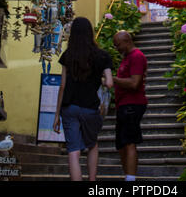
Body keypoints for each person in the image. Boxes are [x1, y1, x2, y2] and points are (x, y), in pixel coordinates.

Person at [53, 17, 113, 181]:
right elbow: (109, 83)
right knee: (92, 145)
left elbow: (63, 86)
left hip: (69, 107)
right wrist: (96, 79)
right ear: (90, 33)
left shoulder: (68, 55)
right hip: (90, 108)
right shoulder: (102, 56)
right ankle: (92, 180)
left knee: (73, 150)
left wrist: (57, 115)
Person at [113, 30, 148, 182]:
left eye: (118, 44)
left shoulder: (137, 57)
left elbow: (134, 83)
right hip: (123, 104)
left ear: (126, 41)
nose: (116, 48)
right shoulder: (127, 58)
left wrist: (113, 79)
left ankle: (131, 178)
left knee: (129, 141)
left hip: (132, 104)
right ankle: (128, 175)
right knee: (121, 143)